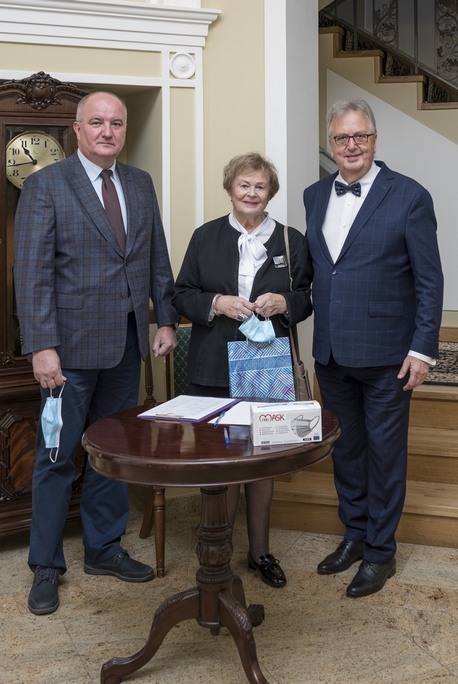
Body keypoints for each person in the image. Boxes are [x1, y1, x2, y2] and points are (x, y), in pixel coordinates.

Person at [14, 91, 180, 615]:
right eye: (97, 123)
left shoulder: (139, 183)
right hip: (68, 354)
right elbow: (32, 274)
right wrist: (42, 347)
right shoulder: (46, 185)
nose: (108, 131)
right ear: (78, 129)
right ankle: (46, 566)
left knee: (112, 454)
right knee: (56, 456)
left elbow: (155, 256)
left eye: (116, 123)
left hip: (126, 347)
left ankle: (104, 549)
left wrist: (166, 318)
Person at [304, 99, 444, 598]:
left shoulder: (410, 196)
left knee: (385, 456)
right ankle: (355, 535)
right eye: (342, 138)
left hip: (389, 354)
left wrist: (422, 349)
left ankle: (381, 552)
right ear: (331, 143)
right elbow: (324, 269)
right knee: (346, 450)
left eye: (360, 136)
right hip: (332, 352)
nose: (352, 146)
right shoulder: (314, 195)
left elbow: (429, 280)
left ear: (375, 139)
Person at [173, 152, 313, 588]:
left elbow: (309, 297)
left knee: (262, 461)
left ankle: (260, 553)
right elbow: (181, 294)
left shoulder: (292, 240)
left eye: (260, 186)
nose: (251, 193)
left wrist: (285, 302)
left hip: (267, 366)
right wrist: (216, 303)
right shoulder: (205, 237)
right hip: (213, 366)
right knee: (220, 463)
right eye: (244, 185)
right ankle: (217, 553)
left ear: (270, 193)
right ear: (230, 189)